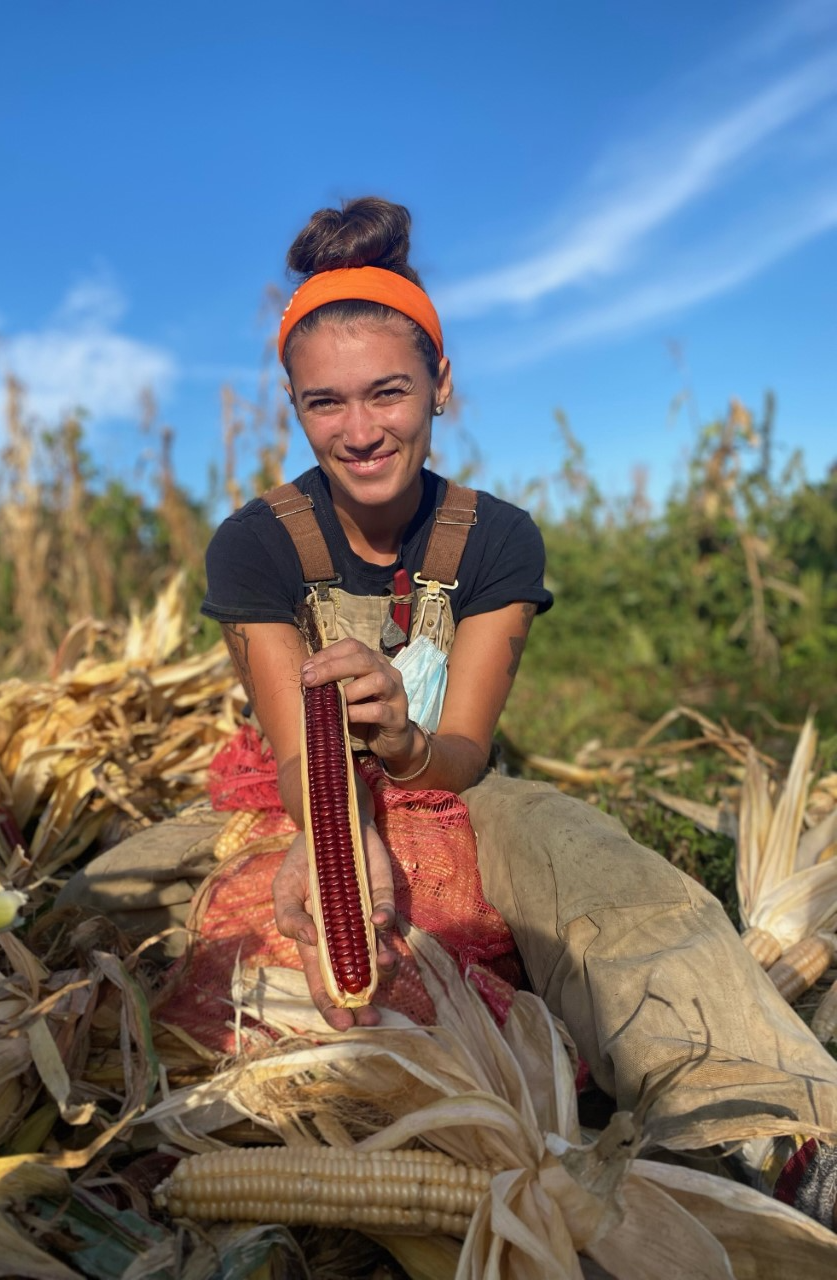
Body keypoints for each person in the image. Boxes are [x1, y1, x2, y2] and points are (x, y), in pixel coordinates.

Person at [195, 196, 837, 1229]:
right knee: (149, 893)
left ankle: (769, 1119)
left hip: (439, 778)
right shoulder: (255, 544)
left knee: (601, 868)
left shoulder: (493, 541)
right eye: (325, 404)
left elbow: (461, 753)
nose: (360, 432)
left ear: (441, 385)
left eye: (388, 393)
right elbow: (286, 740)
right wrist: (336, 829)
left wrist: (400, 738)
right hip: (303, 788)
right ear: (293, 406)